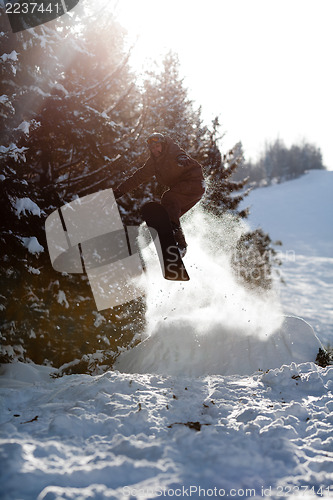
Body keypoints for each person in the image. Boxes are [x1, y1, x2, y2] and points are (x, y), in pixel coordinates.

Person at [114, 132, 205, 257]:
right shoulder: (154, 163)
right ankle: (177, 245)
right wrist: (120, 191)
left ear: (163, 144)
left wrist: (181, 158)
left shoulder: (172, 151)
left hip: (194, 183)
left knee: (168, 198)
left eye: (157, 146)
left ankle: (180, 244)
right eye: (152, 148)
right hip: (185, 191)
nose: (155, 150)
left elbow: (178, 152)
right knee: (168, 214)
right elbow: (138, 177)